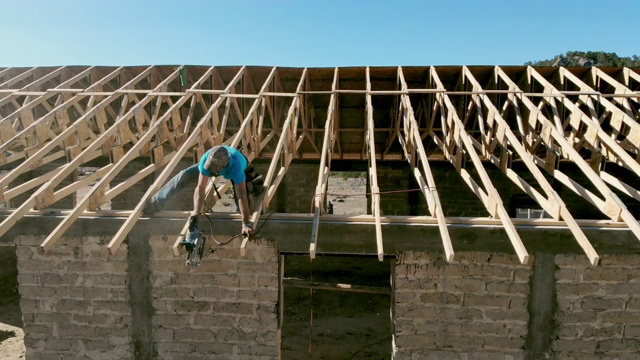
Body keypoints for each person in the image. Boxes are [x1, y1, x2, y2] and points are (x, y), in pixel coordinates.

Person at [144, 145, 262, 236]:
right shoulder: (206, 159)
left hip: (242, 167)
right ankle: (156, 203)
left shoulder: (236, 167)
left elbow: (242, 196)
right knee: (185, 174)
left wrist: (246, 223)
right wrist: (196, 211)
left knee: (245, 197)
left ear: (222, 168)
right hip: (217, 164)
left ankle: (246, 219)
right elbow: (200, 187)